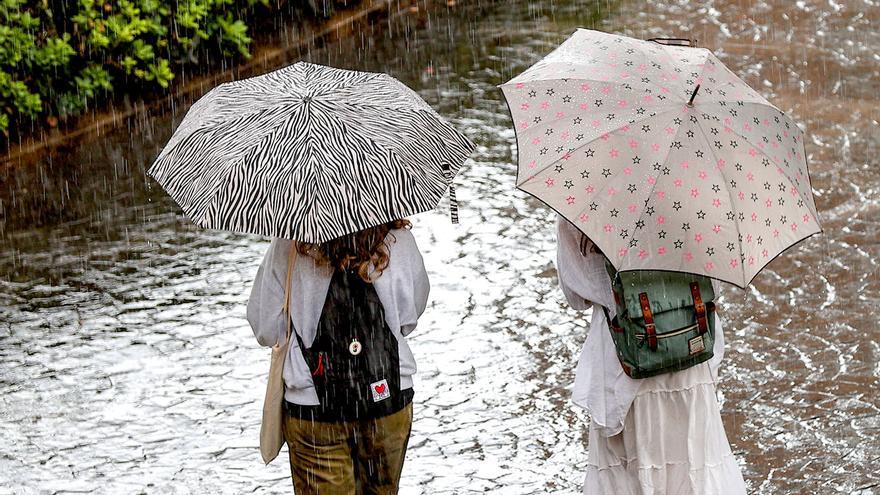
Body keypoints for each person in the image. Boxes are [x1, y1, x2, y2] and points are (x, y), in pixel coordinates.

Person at [555, 216, 748, 494]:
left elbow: (576, 296)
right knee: (696, 464)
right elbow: (713, 287)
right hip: (688, 348)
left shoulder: (582, 208)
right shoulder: (700, 202)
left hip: (624, 359)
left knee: (631, 472)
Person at [247, 219, 429, 495]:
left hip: (315, 409)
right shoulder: (398, 240)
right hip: (387, 397)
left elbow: (266, 328)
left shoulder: (289, 245)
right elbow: (410, 316)